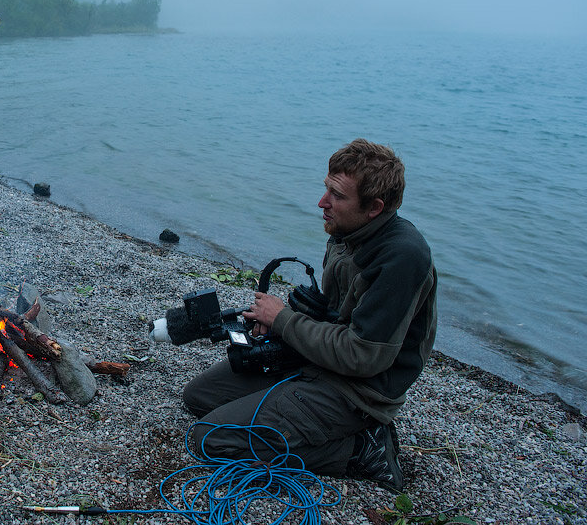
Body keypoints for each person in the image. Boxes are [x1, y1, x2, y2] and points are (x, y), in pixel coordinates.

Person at [182, 139, 437, 491]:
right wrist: (276, 328)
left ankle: (361, 449)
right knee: (198, 397)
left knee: (210, 439)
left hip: (357, 390)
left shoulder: (401, 258)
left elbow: (362, 355)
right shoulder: (347, 232)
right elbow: (333, 315)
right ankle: (300, 418)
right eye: (325, 189)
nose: (323, 203)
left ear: (375, 207)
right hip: (317, 363)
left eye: (337, 195)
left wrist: (285, 320)